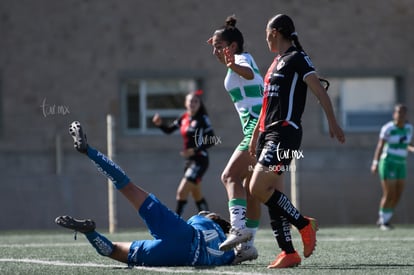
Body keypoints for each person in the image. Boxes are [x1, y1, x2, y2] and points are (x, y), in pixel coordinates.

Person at [55, 121, 235, 267]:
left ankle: (88, 151)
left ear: (212, 216)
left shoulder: (202, 221)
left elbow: (199, 221)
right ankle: (90, 233)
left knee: (127, 186)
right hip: (175, 257)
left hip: (183, 233)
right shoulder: (227, 253)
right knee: (114, 250)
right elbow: (243, 255)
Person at [246, 14, 345, 268]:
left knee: (257, 187)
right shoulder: (275, 63)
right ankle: (288, 252)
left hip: (285, 133)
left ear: (275, 32)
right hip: (268, 133)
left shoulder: (297, 59)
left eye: (266, 32)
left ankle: (304, 224)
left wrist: (332, 121)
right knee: (271, 192)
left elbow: (319, 91)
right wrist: (257, 131)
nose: (265, 37)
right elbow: (268, 103)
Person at [207, 15, 263, 264]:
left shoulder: (242, 59)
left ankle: (238, 230)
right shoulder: (238, 58)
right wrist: (224, 54)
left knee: (228, 176)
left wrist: (231, 64)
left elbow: (248, 74)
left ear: (232, 47)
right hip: (261, 126)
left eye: (219, 45)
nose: (215, 49)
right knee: (251, 193)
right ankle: (247, 247)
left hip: (256, 126)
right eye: (213, 45)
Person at [152, 90, 214, 216]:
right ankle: (212, 221)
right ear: (186, 103)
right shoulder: (184, 117)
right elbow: (169, 130)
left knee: (182, 192)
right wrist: (160, 124)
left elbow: (211, 140)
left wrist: (195, 150)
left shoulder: (203, 119)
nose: (193, 103)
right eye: (190, 101)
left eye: (196, 101)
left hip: (200, 160)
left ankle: (176, 222)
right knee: (196, 194)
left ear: (199, 104)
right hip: (189, 161)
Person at [371, 104, 414, 230]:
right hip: (388, 163)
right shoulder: (388, 128)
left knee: (398, 194)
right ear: (394, 114)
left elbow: (408, 145)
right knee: (389, 193)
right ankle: (382, 221)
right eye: (398, 112)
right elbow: (380, 146)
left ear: (406, 115)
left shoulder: (409, 128)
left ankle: (386, 219)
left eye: (403, 113)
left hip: (401, 164)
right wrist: (375, 162)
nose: (400, 115)